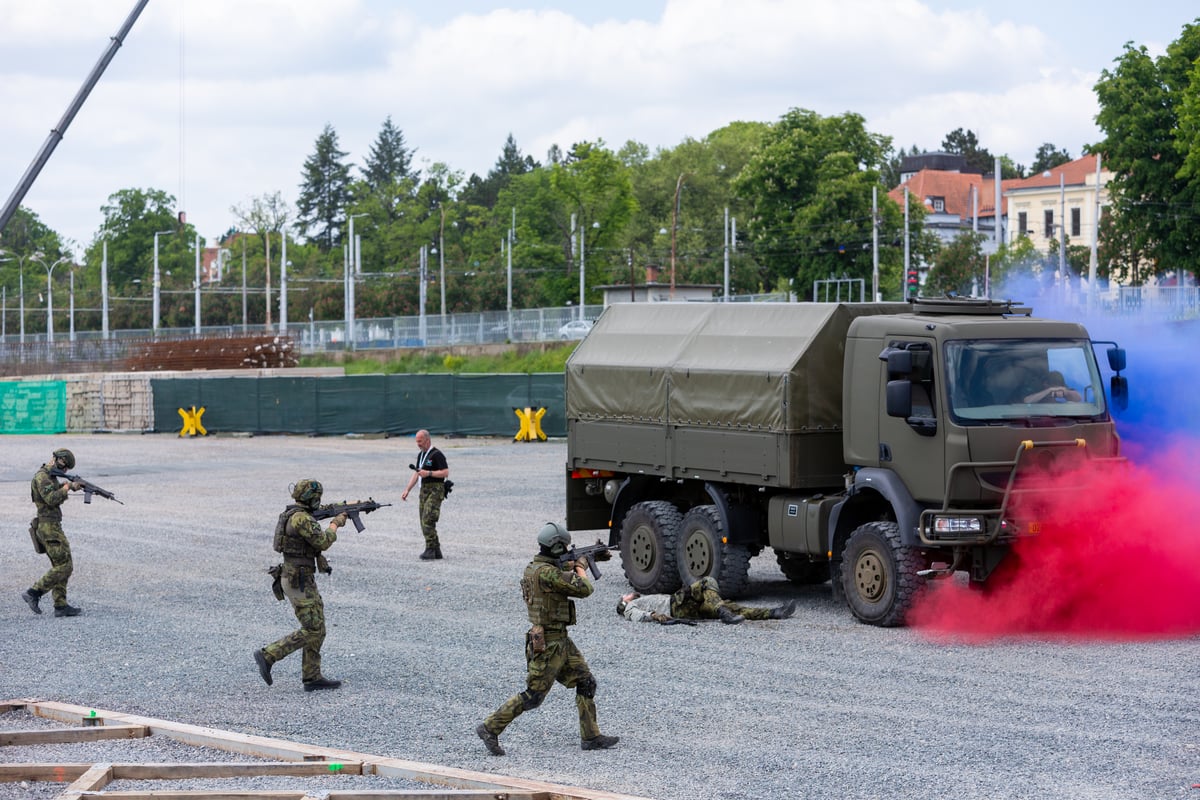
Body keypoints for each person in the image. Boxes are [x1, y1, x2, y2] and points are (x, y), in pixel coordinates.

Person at [476, 522, 619, 756]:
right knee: (533, 696)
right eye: (562, 547)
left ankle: (591, 736)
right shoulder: (548, 573)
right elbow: (584, 588)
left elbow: (564, 573)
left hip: (560, 639)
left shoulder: (536, 567)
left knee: (586, 682)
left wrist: (589, 557)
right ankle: (490, 727)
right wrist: (581, 566)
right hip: (549, 643)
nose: (564, 551)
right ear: (554, 547)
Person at [254, 479, 348, 692]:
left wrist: (340, 508)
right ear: (311, 498)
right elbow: (323, 541)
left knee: (319, 627)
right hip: (299, 581)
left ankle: (312, 676)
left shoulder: (295, 513)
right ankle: (269, 655)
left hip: (300, 578)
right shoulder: (302, 519)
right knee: (312, 629)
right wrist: (336, 523)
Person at [21, 449, 84, 617]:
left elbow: (54, 494)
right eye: (65, 468)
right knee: (65, 566)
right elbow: (51, 499)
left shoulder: (51, 476)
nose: (65, 472)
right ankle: (33, 592)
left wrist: (70, 486)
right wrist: (68, 487)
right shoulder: (42, 477)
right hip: (48, 528)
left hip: (53, 525)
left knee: (62, 564)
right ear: (60, 461)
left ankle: (60, 605)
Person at [617, 577, 797, 625]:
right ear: (623, 602)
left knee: (732, 607)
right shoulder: (630, 606)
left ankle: (774, 613)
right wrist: (655, 616)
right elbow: (636, 616)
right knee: (707, 582)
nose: (627, 594)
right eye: (624, 597)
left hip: (682, 608)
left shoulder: (644, 598)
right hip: (674, 606)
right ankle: (723, 613)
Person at [400, 429, 450, 560]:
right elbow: (417, 473)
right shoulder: (421, 455)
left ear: (427, 440)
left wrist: (429, 473)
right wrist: (407, 489)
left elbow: (445, 472)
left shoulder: (437, 455)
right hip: (424, 491)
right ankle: (436, 550)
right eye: (417, 441)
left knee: (428, 519)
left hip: (435, 490)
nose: (418, 444)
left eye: (420, 441)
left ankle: (430, 549)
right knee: (423, 520)